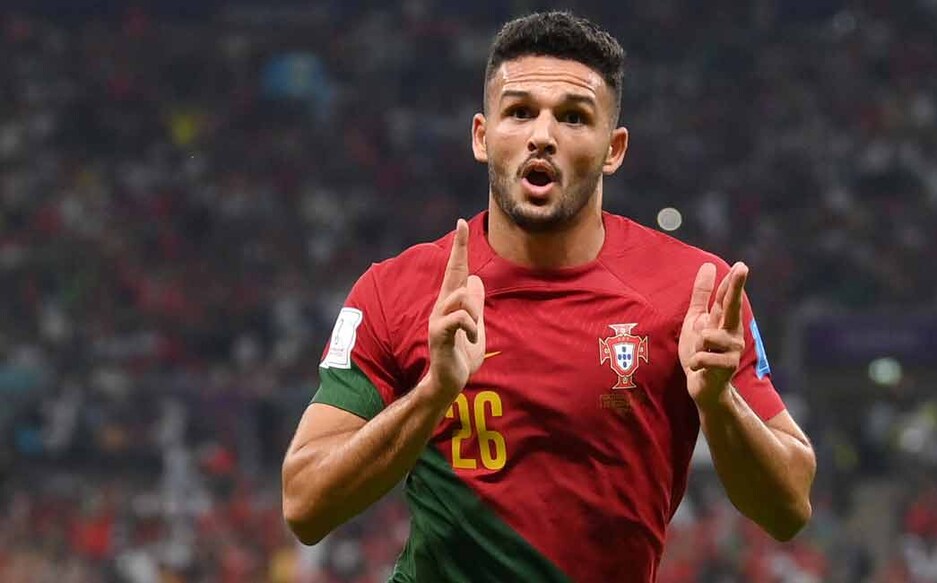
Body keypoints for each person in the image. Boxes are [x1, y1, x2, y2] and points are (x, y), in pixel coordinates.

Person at [281, 11, 816, 582]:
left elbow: (789, 507)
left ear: (613, 149)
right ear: (483, 137)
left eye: (573, 117)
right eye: (519, 112)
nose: (542, 134)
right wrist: (432, 394)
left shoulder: (695, 294)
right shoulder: (396, 291)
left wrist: (718, 403)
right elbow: (306, 505)